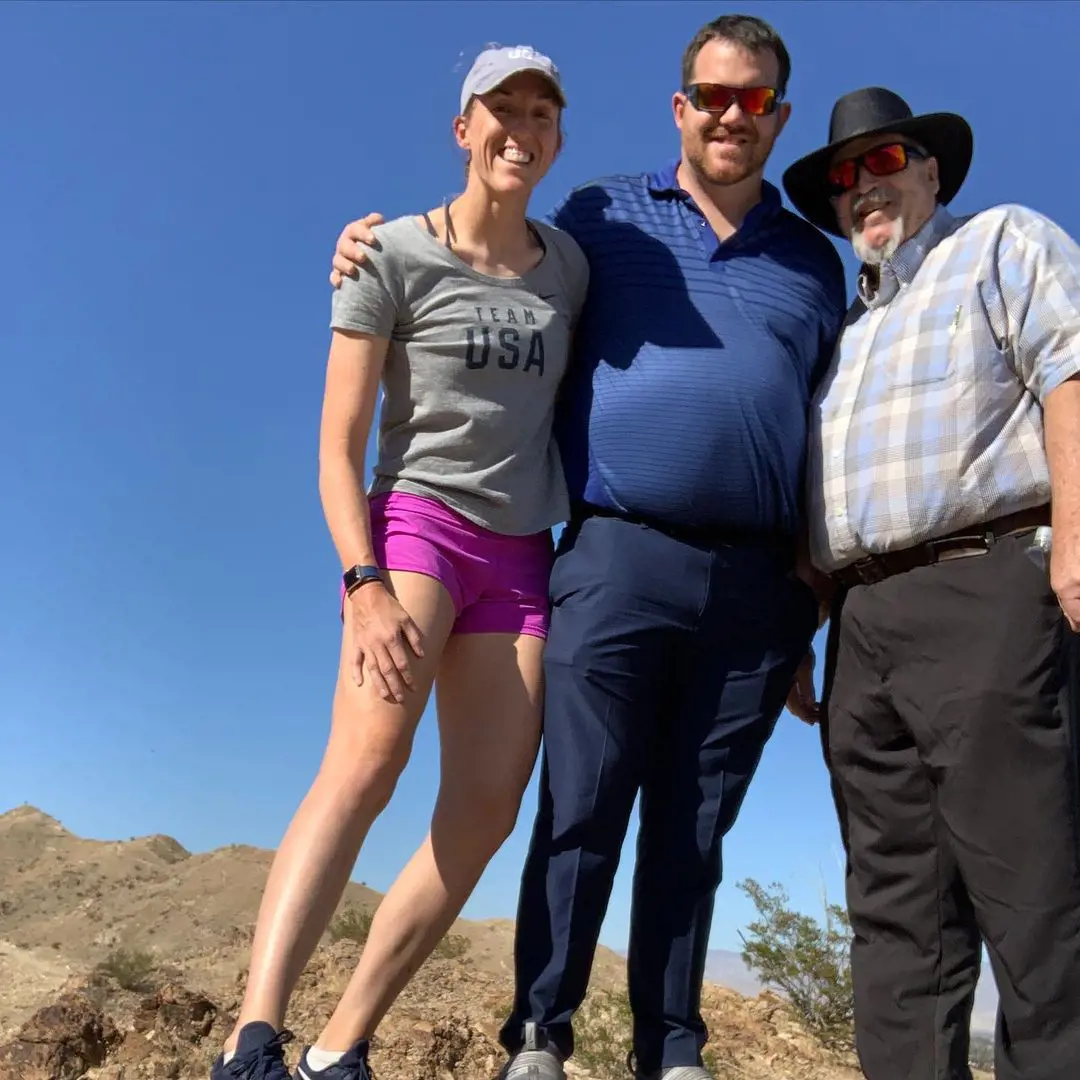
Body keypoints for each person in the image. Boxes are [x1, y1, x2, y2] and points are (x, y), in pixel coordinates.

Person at [328, 14, 846, 1080]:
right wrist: (371, 247)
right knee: (582, 800)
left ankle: (672, 1047)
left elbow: (817, 425)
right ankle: (541, 1034)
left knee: (693, 827)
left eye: (754, 101)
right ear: (681, 106)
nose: (731, 116)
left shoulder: (812, 257)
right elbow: (496, 262)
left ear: (778, 117)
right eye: (712, 95)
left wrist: (806, 598)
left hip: (759, 580)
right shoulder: (602, 215)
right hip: (614, 550)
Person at [212, 44, 589, 1080]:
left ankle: (341, 1046)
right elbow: (336, 447)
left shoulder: (570, 265)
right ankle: (255, 1035)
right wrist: (363, 580)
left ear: (559, 137)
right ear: (462, 129)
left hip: (521, 553)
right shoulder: (387, 255)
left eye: (542, 113)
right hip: (416, 526)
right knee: (368, 763)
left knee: (485, 811)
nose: (521, 127)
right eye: (499, 109)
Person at [783, 87, 1080, 1080]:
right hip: (860, 624)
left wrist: (1077, 544)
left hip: (988, 587)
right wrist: (804, 625)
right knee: (893, 913)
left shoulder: (1001, 243)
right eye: (842, 177)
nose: (864, 187)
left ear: (931, 170)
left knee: (1036, 893)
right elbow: (833, 497)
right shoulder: (845, 334)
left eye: (886, 161)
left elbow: (1072, 370)